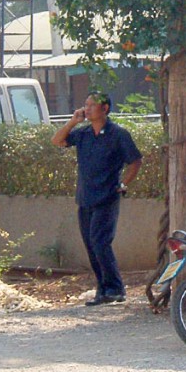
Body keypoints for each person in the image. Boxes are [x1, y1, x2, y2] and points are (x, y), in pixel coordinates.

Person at [52, 92, 142, 306]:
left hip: (107, 197)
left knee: (100, 242)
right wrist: (73, 121)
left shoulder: (118, 134)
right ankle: (103, 289)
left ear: (105, 109)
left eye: (93, 105)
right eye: (86, 104)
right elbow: (57, 141)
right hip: (85, 198)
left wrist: (124, 184)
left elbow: (135, 161)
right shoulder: (83, 134)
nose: (88, 108)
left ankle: (115, 288)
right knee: (91, 245)